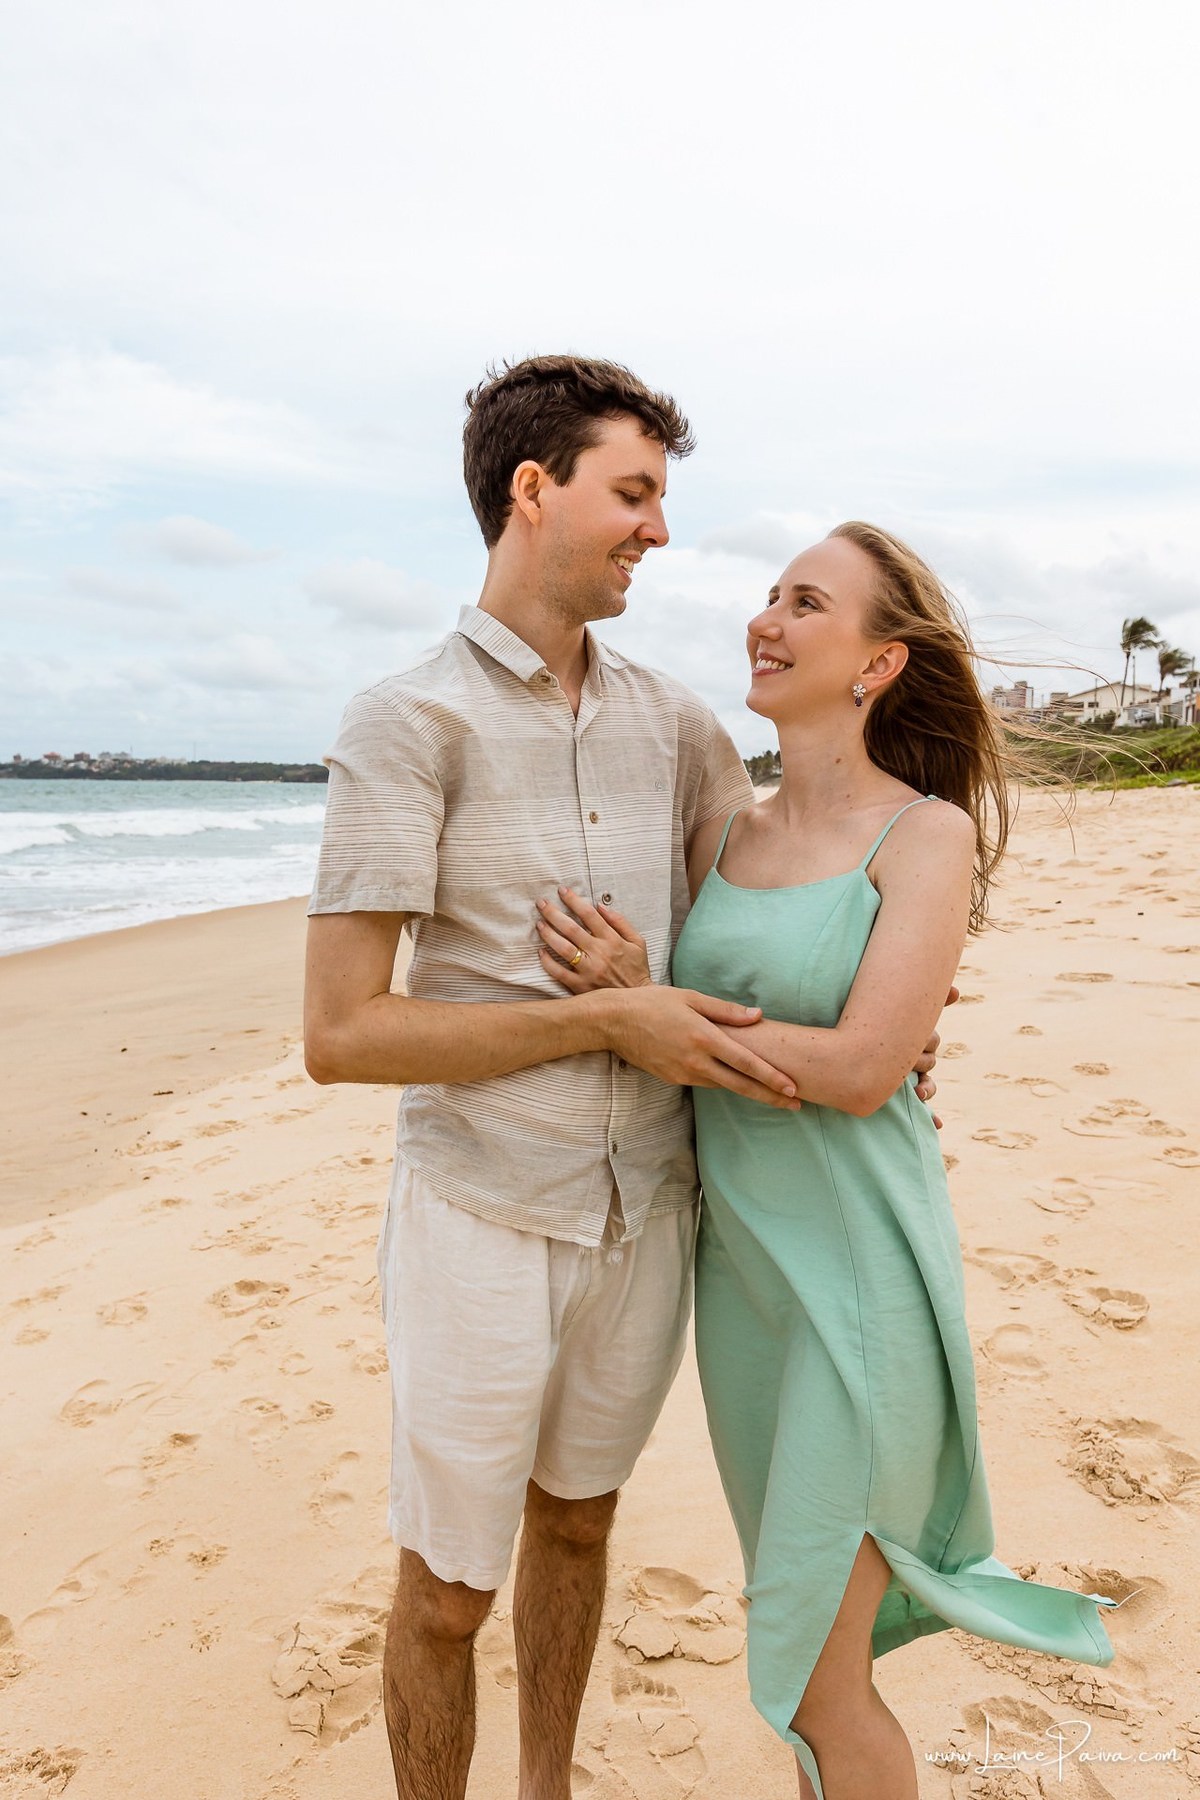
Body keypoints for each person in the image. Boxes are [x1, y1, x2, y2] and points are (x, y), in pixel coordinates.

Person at [303, 357, 947, 1800]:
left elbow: (798, 897)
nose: (659, 531)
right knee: (448, 1592)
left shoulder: (679, 728)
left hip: (653, 1214)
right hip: (481, 1214)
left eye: (662, 499)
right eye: (634, 494)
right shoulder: (408, 722)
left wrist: (903, 1008)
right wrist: (606, 1024)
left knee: (581, 1532)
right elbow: (342, 1032)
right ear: (536, 492)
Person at [538, 521, 1116, 1800]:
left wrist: (655, 1010)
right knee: (812, 1653)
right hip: (743, 1294)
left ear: (878, 664)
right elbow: (769, 1035)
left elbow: (862, 1070)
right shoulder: (721, 839)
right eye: (768, 596)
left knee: (811, 1674)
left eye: (808, 602)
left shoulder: (924, 837)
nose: (769, 620)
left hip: (861, 1284)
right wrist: (647, 1006)